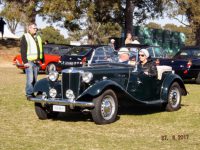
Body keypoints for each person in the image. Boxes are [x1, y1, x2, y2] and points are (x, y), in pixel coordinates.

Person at [20, 23, 44, 99]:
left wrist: (42, 60)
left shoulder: (38, 37)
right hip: (29, 62)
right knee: (30, 79)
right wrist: (25, 62)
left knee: (35, 79)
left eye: (36, 28)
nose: (35, 30)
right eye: (34, 28)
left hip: (36, 62)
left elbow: (41, 49)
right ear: (29, 28)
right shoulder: (25, 37)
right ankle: (29, 94)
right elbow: (23, 50)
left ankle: (33, 92)